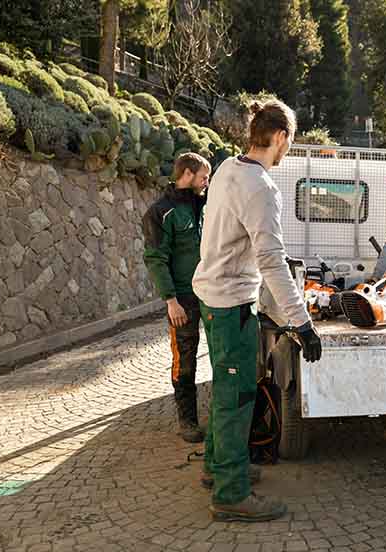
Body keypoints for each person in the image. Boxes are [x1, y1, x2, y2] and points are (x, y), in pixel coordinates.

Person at [192, 98, 322, 522]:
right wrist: (302, 322)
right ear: (280, 136)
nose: (289, 149)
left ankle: (218, 466)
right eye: (291, 141)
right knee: (236, 397)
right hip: (230, 302)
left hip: (214, 297)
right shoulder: (261, 187)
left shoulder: (227, 168)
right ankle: (230, 494)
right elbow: (272, 261)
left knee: (227, 388)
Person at [142, 152, 210, 444]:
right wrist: (171, 301)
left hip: (212, 293)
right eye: (203, 176)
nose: (207, 182)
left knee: (222, 354)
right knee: (185, 359)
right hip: (182, 299)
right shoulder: (160, 212)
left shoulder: (206, 204)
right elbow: (156, 258)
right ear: (187, 174)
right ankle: (188, 421)